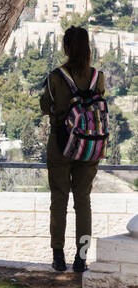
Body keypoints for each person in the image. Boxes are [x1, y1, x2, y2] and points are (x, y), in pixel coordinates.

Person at [40, 26, 104, 273]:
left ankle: (58, 256)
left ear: (66, 47)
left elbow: (45, 106)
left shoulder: (56, 77)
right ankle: (82, 257)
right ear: (87, 48)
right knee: (83, 202)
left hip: (61, 143)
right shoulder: (97, 77)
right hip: (89, 146)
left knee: (59, 199)